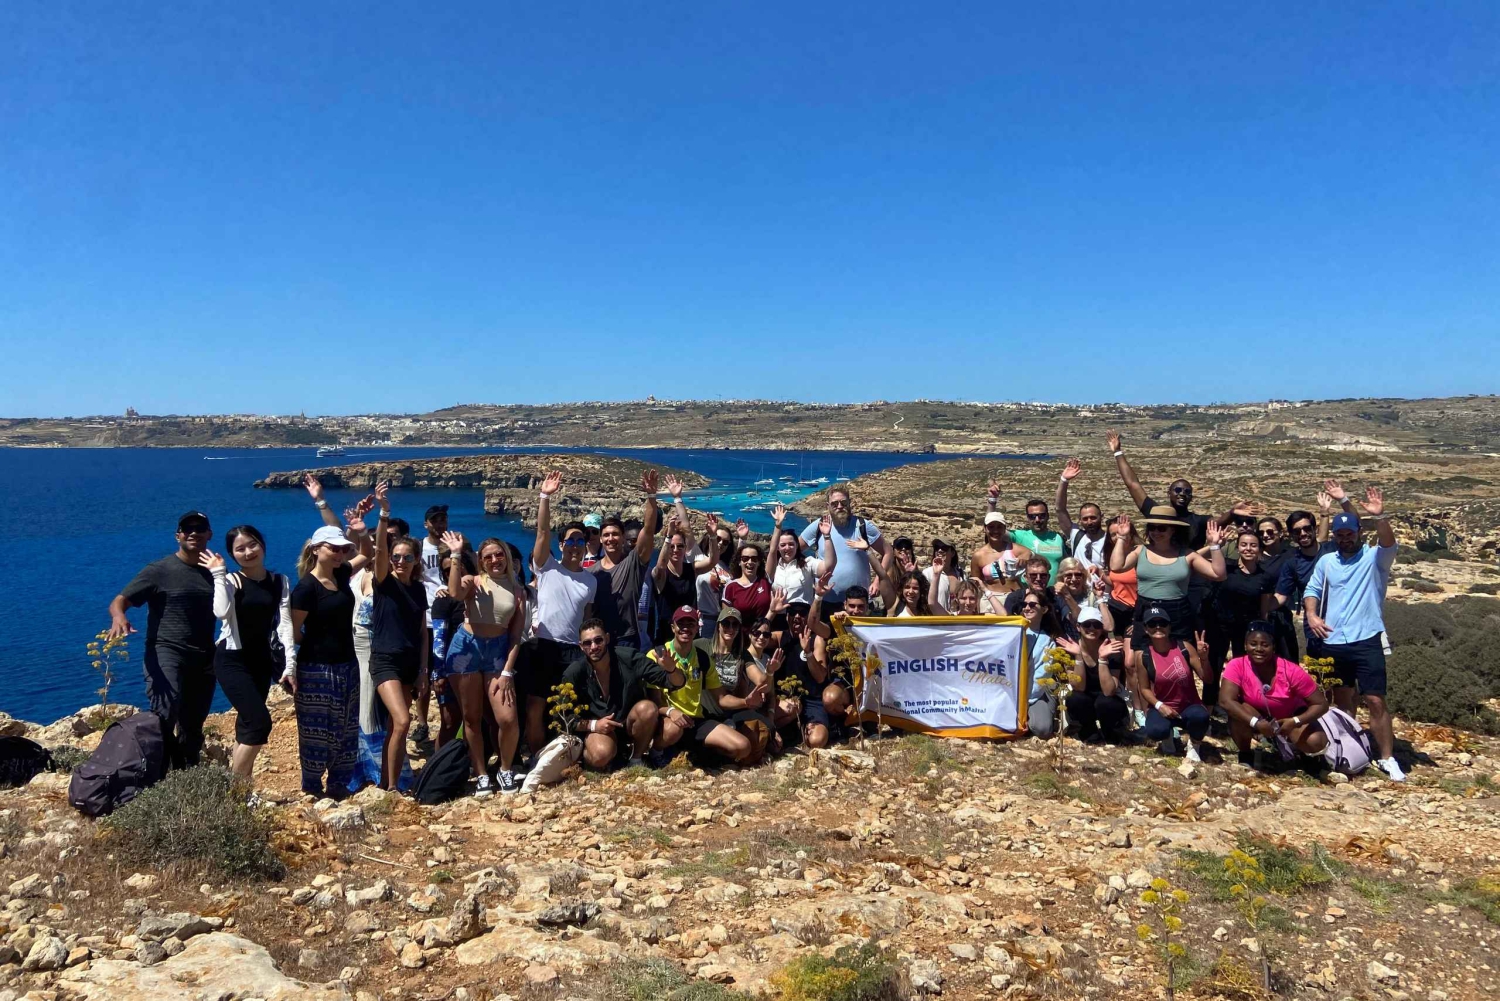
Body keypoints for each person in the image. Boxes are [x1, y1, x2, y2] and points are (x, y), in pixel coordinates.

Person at [496, 471, 599, 784]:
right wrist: (545, 497)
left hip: (573, 651)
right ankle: (536, 760)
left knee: (569, 707)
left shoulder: (590, 580)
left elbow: (587, 618)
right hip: (545, 645)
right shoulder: (547, 566)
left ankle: (563, 759)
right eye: (570, 541)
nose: (576, 546)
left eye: (581, 541)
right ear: (562, 544)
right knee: (537, 706)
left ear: (586, 546)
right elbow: (541, 532)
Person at [1304, 487, 1403, 781]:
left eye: (1350, 534)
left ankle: (1387, 758)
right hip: (1333, 640)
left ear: (1359, 532)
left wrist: (1380, 516)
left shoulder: (1374, 559)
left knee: (1375, 700)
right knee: (1343, 700)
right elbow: (1312, 589)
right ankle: (1352, 749)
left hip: (1366, 638)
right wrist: (1311, 615)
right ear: (1334, 536)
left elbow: (1389, 543)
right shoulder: (1327, 561)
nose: (1345, 539)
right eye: (1340, 535)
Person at [107, 511, 219, 770]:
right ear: (177, 535)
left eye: (200, 527)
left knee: (193, 723)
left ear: (209, 534)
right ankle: (154, 773)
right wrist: (118, 617)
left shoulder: (216, 572)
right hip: (166, 651)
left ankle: (186, 775)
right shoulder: (159, 571)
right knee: (165, 711)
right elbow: (120, 600)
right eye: (187, 528)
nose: (193, 533)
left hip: (204, 656)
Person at [203, 525, 295, 787]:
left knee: (246, 725)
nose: (248, 552)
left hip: (261, 662)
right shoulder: (232, 581)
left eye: (252, 544)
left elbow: (284, 625)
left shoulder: (280, 581)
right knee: (258, 724)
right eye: (239, 549)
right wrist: (218, 574)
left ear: (262, 545)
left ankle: (239, 791)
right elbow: (220, 612)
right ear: (232, 555)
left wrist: (290, 665)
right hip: (232, 661)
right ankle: (237, 790)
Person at [290, 522, 370, 798]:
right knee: (316, 728)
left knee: (346, 726)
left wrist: (360, 531)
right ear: (316, 549)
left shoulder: (341, 573)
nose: (339, 554)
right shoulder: (305, 588)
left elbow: (367, 553)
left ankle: (338, 784)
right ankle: (311, 786)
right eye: (333, 549)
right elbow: (293, 632)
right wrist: (316, 645)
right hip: (316, 669)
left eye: (342, 549)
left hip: (348, 664)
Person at [442, 532, 526, 795]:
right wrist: (456, 554)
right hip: (466, 648)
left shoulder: (518, 591)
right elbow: (455, 593)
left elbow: (515, 636)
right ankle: (480, 774)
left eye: (499, 554)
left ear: (507, 557)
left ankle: (504, 769)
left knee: (507, 719)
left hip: (498, 652)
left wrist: (507, 672)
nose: (495, 559)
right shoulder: (474, 581)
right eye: (488, 556)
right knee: (471, 717)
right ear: (481, 561)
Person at [560, 619, 685, 772]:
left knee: (648, 708)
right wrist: (594, 725)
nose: (593, 647)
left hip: (629, 724)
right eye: (587, 643)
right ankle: (593, 759)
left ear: (607, 638)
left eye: (598, 640)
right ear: (581, 646)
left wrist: (672, 669)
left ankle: (636, 759)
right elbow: (563, 716)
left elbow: (675, 683)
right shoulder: (574, 672)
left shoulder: (629, 657)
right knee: (600, 755)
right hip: (599, 730)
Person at [368, 483, 429, 791]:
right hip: (385, 660)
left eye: (406, 557)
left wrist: (422, 671)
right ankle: (392, 789)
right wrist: (383, 513)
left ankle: (387, 784)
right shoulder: (384, 582)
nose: (399, 562)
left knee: (396, 727)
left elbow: (421, 632)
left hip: (408, 662)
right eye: (396, 556)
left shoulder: (418, 589)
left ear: (416, 560)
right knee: (403, 721)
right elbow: (378, 552)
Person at [647, 607, 760, 764]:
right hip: (669, 719)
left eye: (691, 624)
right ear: (673, 627)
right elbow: (653, 702)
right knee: (673, 730)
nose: (686, 628)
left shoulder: (703, 658)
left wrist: (746, 702)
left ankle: (696, 753)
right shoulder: (658, 655)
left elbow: (721, 698)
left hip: (695, 721)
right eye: (681, 624)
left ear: (697, 627)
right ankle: (656, 753)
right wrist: (671, 711)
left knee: (743, 746)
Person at [1109, 507, 1226, 651]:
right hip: (1146, 608)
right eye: (1152, 527)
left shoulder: (1187, 555)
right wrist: (1121, 538)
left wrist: (1214, 546)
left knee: (1181, 654)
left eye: (1162, 528)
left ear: (1173, 530)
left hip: (1177, 611)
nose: (1156, 532)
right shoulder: (1140, 550)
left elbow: (1219, 574)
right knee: (1141, 655)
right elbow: (1116, 566)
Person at [1220, 621, 1330, 768]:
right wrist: (1256, 723)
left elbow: (1321, 704)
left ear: (1273, 648)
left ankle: (1305, 754)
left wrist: (1295, 721)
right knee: (1237, 714)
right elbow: (1226, 700)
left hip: (1289, 716)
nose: (1258, 649)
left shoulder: (1291, 670)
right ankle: (1245, 753)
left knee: (1316, 740)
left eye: (1265, 645)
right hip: (1256, 714)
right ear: (1245, 646)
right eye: (1253, 644)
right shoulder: (1237, 665)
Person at [1204, 528, 1277, 708]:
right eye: (1243, 545)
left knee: (1244, 668)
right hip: (1219, 624)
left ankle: (1240, 706)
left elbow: (1264, 608)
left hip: (1246, 629)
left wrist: (1262, 629)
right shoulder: (1226, 567)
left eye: (1253, 545)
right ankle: (1209, 706)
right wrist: (1213, 545)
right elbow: (1195, 562)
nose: (1248, 549)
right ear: (1237, 547)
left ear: (1259, 548)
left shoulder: (1264, 576)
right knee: (1214, 663)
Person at [1130, 604, 1210, 761]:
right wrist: (1160, 706)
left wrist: (1204, 659)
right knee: (1155, 730)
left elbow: (1207, 678)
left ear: (1169, 626)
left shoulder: (1184, 647)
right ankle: (1167, 738)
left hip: (1188, 705)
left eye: (1162, 623)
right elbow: (1144, 688)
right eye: (1152, 624)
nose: (1158, 627)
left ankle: (1194, 744)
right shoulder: (1144, 656)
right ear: (1146, 629)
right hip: (1163, 706)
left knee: (1201, 717)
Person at [592, 471, 661, 647]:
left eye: (615, 534)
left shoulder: (633, 564)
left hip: (627, 639)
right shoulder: (591, 572)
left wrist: (651, 496)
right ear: (600, 539)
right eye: (606, 535)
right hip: (600, 640)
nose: (610, 539)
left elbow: (648, 528)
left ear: (623, 538)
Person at [799, 483, 890, 612]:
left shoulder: (863, 526)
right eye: (835, 504)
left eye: (843, 503)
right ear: (828, 506)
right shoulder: (819, 526)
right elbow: (794, 551)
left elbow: (888, 552)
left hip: (858, 604)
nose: (840, 507)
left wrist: (877, 581)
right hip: (826, 601)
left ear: (849, 503)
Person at [412, 503, 450, 744]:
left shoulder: (455, 543)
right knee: (424, 671)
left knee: (445, 673)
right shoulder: (420, 548)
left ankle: (447, 727)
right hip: (426, 617)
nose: (439, 524)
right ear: (426, 524)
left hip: (448, 616)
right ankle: (423, 722)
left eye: (443, 520)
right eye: (435, 520)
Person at [1064, 606, 1129, 743]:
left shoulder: (1113, 651)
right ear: (1078, 627)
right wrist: (1078, 657)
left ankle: (1111, 735)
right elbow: (1078, 686)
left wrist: (1103, 659)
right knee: (1075, 698)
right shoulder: (1070, 650)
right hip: (1084, 698)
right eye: (1087, 624)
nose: (1092, 629)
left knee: (1105, 702)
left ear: (1102, 628)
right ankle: (1088, 734)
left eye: (1097, 625)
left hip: (1107, 699)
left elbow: (1109, 691)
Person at [654, 516, 720, 644]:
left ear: (685, 548)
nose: (676, 550)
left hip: (690, 633)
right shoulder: (661, 574)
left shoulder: (692, 569)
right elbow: (660, 565)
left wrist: (712, 536)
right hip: (667, 635)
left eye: (680, 546)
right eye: (671, 547)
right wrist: (668, 536)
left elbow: (713, 561)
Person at [1020, 587, 1068, 739]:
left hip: (1034, 694)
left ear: (1044, 609)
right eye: (1025, 604)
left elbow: (1042, 676)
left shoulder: (1049, 640)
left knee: (1042, 729)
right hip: (1011, 694)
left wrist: (1024, 703)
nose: (1027, 608)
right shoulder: (1012, 631)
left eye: (1033, 605)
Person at [768, 505, 835, 607]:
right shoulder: (774, 567)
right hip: (779, 617)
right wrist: (778, 526)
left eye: (791, 544)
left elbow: (829, 566)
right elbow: (772, 551)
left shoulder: (807, 563)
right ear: (778, 548)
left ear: (797, 546)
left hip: (802, 616)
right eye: (783, 545)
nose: (787, 548)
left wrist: (827, 537)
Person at [1056, 459, 1108, 570]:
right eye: (1085, 519)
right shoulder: (1076, 536)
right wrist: (1064, 480)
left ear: (1101, 517)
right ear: (1080, 520)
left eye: (1093, 518)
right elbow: (1060, 509)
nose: (1089, 522)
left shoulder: (1109, 540)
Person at [1010, 498, 1067, 585]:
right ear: (1027, 518)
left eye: (1041, 516)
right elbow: (993, 530)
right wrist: (992, 500)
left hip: (1053, 594)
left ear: (1048, 516)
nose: (1037, 520)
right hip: (1028, 594)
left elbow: (1064, 565)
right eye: (1032, 516)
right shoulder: (1020, 536)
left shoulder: (1057, 538)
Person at [1104, 516, 1140, 638]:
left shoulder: (1139, 554)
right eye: (1113, 535)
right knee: (1118, 652)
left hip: (1135, 612)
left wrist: (1139, 619)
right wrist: (1100, 574)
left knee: (1131, 655)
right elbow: (1117, 583)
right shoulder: (1114, 556)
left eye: (1120, 533)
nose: (1117, 537)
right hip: (1116, 608)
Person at [723, 543, 773, 623]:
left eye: (754, 559)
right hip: (739, 634)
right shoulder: (731, 586)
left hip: (763, 633)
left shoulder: (765, 582)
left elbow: (773, 551)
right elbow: (727, 618)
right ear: (739, 562)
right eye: (745, 558)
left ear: (759, 562)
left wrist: (764, 625)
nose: (750, 562)